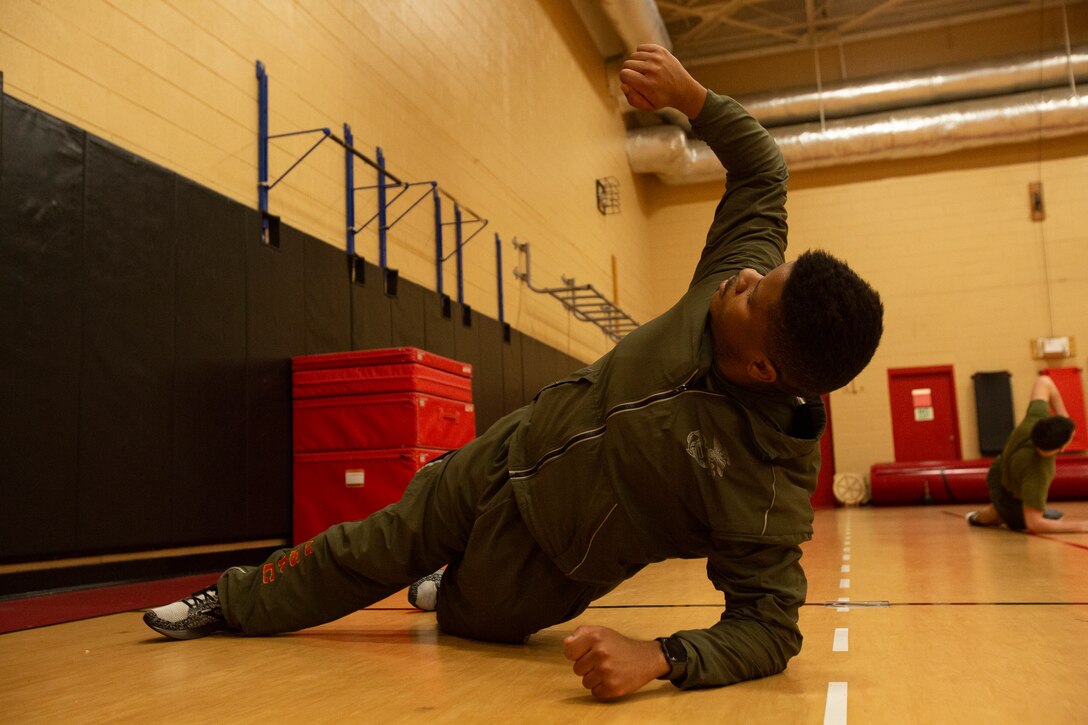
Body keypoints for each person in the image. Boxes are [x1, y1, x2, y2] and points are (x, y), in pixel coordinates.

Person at [144, 44, 884, 701]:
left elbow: (769, 628)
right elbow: (762, 167)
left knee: (458, 612)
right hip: (511, 447)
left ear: (764, 363)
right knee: (378, 539)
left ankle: (446, 586)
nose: (744, 275)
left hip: (539, 567)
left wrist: (659, 657)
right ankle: (230, 601)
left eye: (756, 293)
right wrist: (692, 98)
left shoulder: (767, 485)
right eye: (761, 270)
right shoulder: (731, 277)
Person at [966, 374, 1086, 533]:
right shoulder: (1038, 470)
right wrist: (1080, 526)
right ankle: (993, 514)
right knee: (1047, 517)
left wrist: (1063, 417)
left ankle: (980, 515)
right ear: (1061, 449)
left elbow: (1044, 381)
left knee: (1000, 507)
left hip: (998, 473)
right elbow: (1034, 524)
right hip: (1011, 495)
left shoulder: (1036, 419)